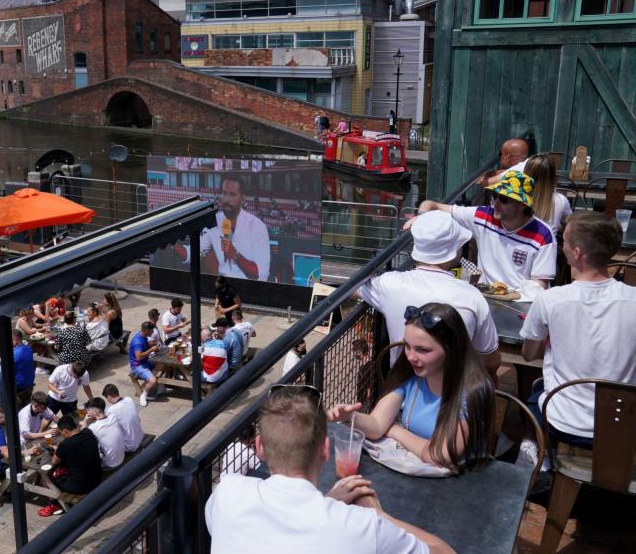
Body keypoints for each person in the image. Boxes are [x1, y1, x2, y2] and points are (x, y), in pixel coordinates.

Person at [205, 385, 451, 553]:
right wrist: (380, 517)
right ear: (325, 449)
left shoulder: (226, 494)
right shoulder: (361, 528)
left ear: (260, 448)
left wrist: (327, 501)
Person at [329, 303, 495, 471]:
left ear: (451, 349)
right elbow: (377, 425)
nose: (410, 356)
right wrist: (350, 416)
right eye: (407, 346)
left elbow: (442, 456)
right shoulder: (410, 375)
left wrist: (395, 431)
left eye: (423, 350)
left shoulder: (472, 390)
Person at [521, 212, 636, 448]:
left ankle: (536, 459)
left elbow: (528, 354)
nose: (561, 246)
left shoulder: (550, 300)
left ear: (577, 253)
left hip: (563, 423)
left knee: (532, 399)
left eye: (565, 241)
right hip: (623, 424)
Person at [360, 210, 500, 372]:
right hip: (452, 391)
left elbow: (355, 287)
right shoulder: (473, 296)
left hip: (401, 388)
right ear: (454, 249)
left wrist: (424, 226)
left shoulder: (388, 283)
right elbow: (491, 361)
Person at [407, 170, 556, 289]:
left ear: (523, 205)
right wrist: (421, 217)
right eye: (494, 196)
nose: (496, 203)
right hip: (485, 295)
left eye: (504, 199)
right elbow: (431, 204)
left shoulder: (543, 235)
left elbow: (540, 285)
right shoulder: (483, 215)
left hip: (520, 305)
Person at [198, 177, 271, 280]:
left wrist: (234, 254)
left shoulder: (258, 227)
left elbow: (261, 275)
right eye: (224, 193)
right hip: (222, 287)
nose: (227, 199)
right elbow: (192, 253)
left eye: (232, 194)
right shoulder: (214, 221)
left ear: (243, 198)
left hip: (248, 289)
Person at [38, 414, 102, 517]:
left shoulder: (66, 444)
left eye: (61, 432)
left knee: (45, 475)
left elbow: (54, 461)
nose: (62, 435)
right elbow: (83, 430)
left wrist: (57, 450)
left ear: (66, 431)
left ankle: (54, 504)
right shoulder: (88, 433)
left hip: (81, 487)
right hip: (97, 478)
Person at [523, 154, 572, 231]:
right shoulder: (561, 200)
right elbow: (569, 225)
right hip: (547, 241)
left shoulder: (515, 197)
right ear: (553, 176)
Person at [82, 397, 125, 470]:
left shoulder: (93, 428)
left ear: (95, 413)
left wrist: (85, 422)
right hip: (122, 458)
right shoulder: (113, 417)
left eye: (88, 411)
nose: (87, 413)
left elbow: (80, 437)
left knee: (84, 451)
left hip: (109, 465)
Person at [102, 384, 144, 453]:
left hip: (130, 446)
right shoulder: (129, 399)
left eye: (106, 398)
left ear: (109, 396)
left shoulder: (112, 410)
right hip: (140, 437)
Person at [128, 322, 160, 407]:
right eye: (151, 331)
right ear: (146, 331)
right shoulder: (137, 342)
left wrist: (153, 345)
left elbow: (145, 345)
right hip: (137, 366)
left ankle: (161, 387)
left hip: (146, 362)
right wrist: (151, 350)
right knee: (153, 380)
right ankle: (143, 395)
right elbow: (138, 357)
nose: (153, 333)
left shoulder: (143, 336)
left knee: (163, 365)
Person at [12, 330, 35, 404]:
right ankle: (24, 400)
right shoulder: (29, 349)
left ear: (15, 340)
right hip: (30, 380)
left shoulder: (14, 353)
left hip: (20, 384)